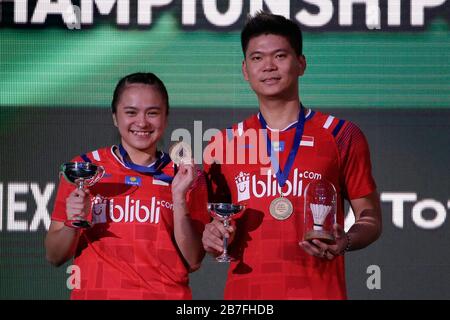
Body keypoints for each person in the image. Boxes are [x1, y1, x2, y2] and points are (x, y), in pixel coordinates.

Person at [202, 12, 382, 299]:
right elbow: (212, 228)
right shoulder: (223, 144)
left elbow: (370, 218)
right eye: (257, 58)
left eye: (280, 56)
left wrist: (346, 239)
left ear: (301, 63)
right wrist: (211, 237)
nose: (269, 67)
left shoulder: (341, 134)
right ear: (245, 70)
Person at [45, 72, 209, 300]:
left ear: (166, 117)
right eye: (131, 112)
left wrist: (179, 198)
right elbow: (54, 256)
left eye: (152, 113)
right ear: (115, 117)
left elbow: (193, 260)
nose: (142, 122)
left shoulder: (188, 176)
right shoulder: (83, 168)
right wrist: (73, 223)